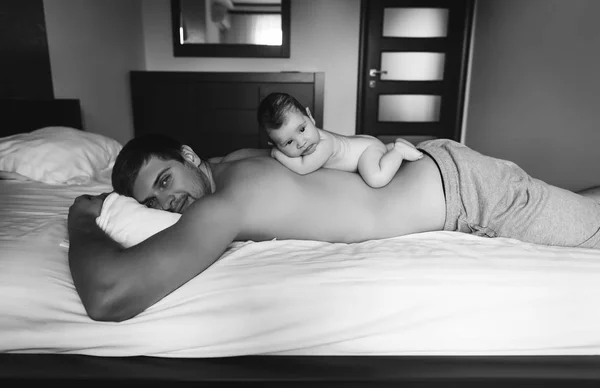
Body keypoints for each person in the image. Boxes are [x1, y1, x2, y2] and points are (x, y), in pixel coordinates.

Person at [67, 134, 600, 323]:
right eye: (153, 201)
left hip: (473, 192)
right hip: (446, 176)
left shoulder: (224, 202)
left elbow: (109, 296)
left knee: (591, 232)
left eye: (165, 179)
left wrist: (83, 218)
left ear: (188, 156)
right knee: (575, 210)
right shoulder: (226, 165)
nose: (169, 201)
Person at [258, 92, 424, 188]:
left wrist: (277, 154)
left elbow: (303, 168)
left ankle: (398, 151)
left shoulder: (324, 145)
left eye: (302, 129)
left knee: (376, 178)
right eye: (288, 143)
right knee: (377, 154)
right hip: (363, 143)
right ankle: (389, 147)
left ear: (310, 117)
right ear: (276, 144)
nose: (301, 143)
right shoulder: (312, 139)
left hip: (365, 151)